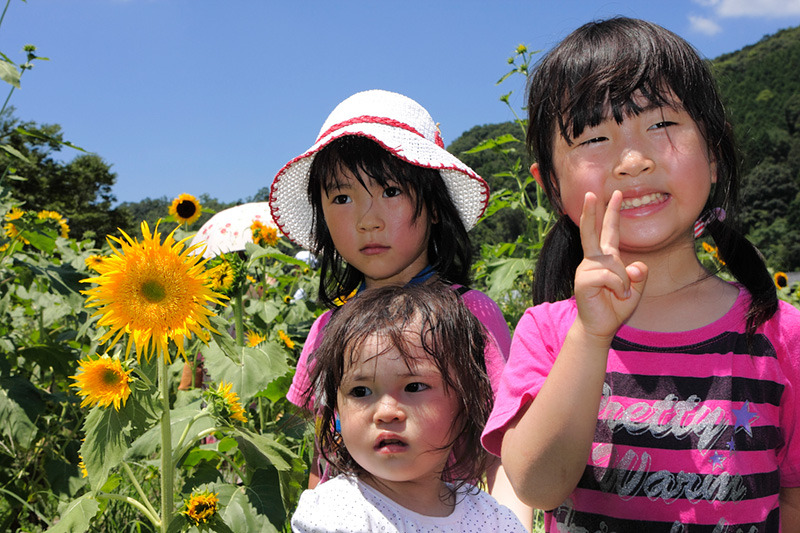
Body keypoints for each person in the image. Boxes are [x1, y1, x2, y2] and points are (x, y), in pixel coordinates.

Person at [481, 17, 800, 532]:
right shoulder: (548, 332)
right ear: (551, 184)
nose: (632, 161)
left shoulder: (781, 335)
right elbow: (536, 486)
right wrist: (591, 334)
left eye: (661, 125)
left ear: (714, 153)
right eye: (593, 137)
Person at [270, 89, 532, 526]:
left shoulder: (469, 313)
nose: (366, 219)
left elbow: (503, 446)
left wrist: (509, 523)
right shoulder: (327, 326)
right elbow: (323, 456)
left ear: (433, 205)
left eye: (390, 191)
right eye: (341, 198)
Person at [291, 283, 527, 532]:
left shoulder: (491, 518)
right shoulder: (334, 512)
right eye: (361, 392)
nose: (386, 412)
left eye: (414, 387)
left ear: (466, 405)